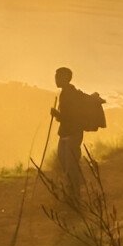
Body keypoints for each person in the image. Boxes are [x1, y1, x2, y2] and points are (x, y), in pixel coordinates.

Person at [49, 66, 87, 201]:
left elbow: (69, 116)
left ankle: (75, 194)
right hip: (66, 132)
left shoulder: (69, 94)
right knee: (65, 161)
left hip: (72, 133)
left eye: (58, 76)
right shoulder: (66, 93)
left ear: (65, 78)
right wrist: (58, 115)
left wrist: (56, 114)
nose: (55, 79)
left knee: (70, 164)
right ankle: (73, 189)